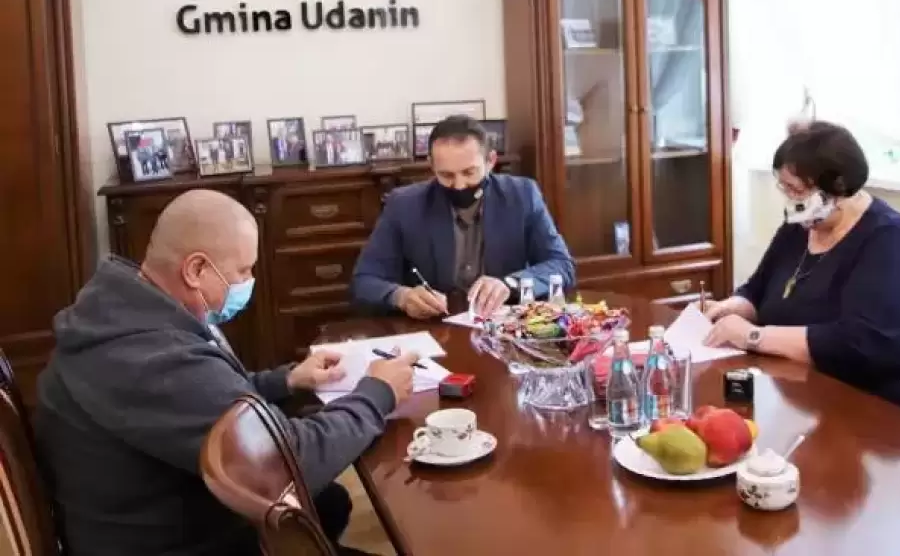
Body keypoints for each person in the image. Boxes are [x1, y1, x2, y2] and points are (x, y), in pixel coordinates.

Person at [35, 189, 417, 556]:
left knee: (329, 503)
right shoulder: (150, 357)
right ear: (196, 269)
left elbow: (212, 404)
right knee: (321, 498)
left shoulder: (128, 311)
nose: (248, 282)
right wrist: (377, 393)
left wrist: (285, 381)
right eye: (243, 270)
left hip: (163, 511)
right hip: (176, 541)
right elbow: (289, 462)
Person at [703, 121, 900, 425]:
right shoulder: (801, 226)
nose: (791, 201)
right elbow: (757, 289)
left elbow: (861, 344)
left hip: (895, 416)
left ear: (837, 188)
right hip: (809, 395)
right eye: (785, 188)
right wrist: (731, 308)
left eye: (797, 190)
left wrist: (753, 336)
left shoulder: (891, 241)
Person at [352, 115, 575, 318]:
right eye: (446, 175)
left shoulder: (523, 195)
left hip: (503, 328)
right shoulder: (403, 205)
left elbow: (561, 265)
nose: (459, 185)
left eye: (469, 172)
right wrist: (401, 296)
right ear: (431, 165)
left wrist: (510, 284)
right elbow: (364, 281)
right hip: (434, 329)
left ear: (490, 161)